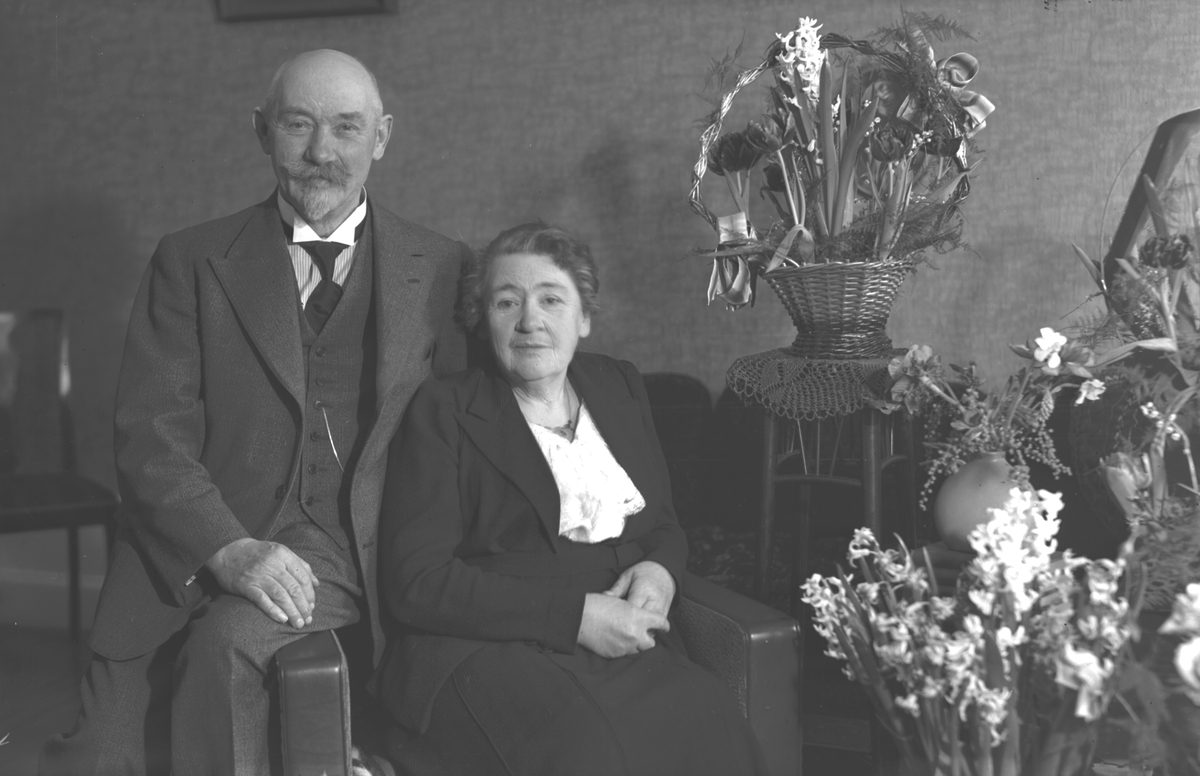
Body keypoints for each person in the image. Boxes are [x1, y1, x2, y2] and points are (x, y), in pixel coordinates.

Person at [40, 49, 470, 776]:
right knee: (98, 759)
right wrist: (227, 548)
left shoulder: (443, 267)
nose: (322, 152)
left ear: (382, 137)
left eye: (347, 127)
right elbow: (149, 438)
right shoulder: (191, 261)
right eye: (298, 124)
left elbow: (469, 436)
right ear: (261, 131)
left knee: (229, 648)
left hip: (360, 556)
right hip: (193, 551)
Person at [370, 222, 766, 775]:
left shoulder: (619, 385)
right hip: (484, 644)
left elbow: (664, 525)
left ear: (584, 317)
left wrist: (661, 573)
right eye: (507, 302)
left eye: (551, 299)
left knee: (709, 715)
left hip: (617, 633)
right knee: (587, 750)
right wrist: (575, 617)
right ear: (483, 321)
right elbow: (418, 581)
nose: (529, 320)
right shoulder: (444, 408)